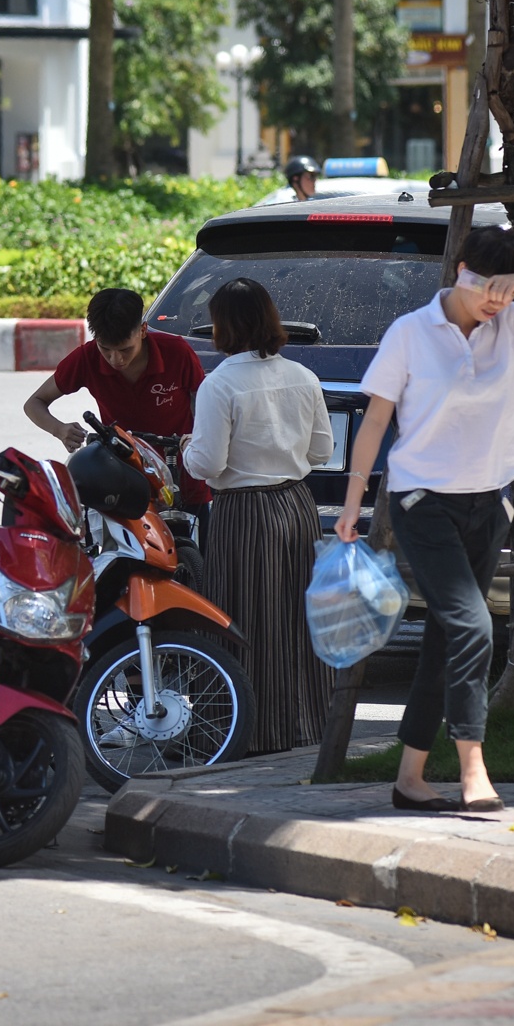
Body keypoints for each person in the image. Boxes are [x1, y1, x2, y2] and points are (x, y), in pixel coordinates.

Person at [334, 226, 514, 813]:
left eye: (506, 293)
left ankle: (409, 778)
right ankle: (474, 768)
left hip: (491, 498)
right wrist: (352, 504)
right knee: (474, 627)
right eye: (487, 289)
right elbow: (375, 421)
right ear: (462, 271)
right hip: (423, 500)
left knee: (447, 640)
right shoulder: (410, 333)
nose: (495, 303)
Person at [182, 278, 334, 753]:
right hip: (297, 505)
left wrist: (187, 449)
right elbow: (323, 451)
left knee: (243, 619)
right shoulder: (303, 377)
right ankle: (305, 725)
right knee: (294, 620)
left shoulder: (220, 384)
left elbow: (207, 465)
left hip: (244, 510)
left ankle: (245, 732)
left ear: (223, 327)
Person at [23, 287, 210, 519]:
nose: (116, 359)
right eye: (106, 349)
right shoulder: (86, 358)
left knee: (198, 552)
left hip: (184, 478)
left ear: (143, 331)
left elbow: (205, 406)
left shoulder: (176, 352)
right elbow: (34, 403)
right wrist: (59, 429)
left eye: (125, 350)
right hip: (122, 482)